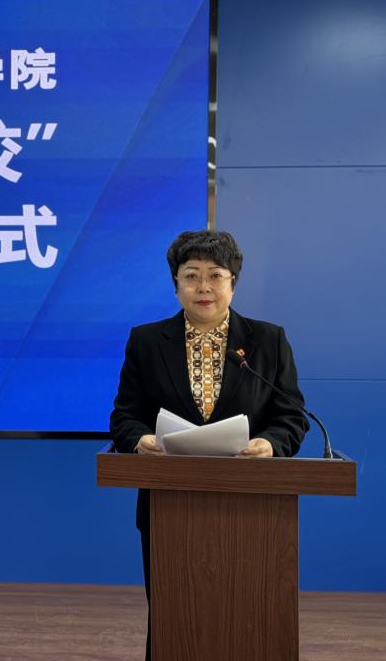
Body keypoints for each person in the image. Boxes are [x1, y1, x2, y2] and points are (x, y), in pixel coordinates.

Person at [108, 229, 309, 661]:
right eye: (191, 275)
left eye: (215, 275)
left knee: (250, 613)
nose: (203, 287)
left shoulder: (268, 341)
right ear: (176, 284)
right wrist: (139, 439)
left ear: (233, 283)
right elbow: (124, 416)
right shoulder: (147, 342)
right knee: (174, 616)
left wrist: (270, 443)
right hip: (168, 505)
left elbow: (291, 417)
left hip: (252, 505)